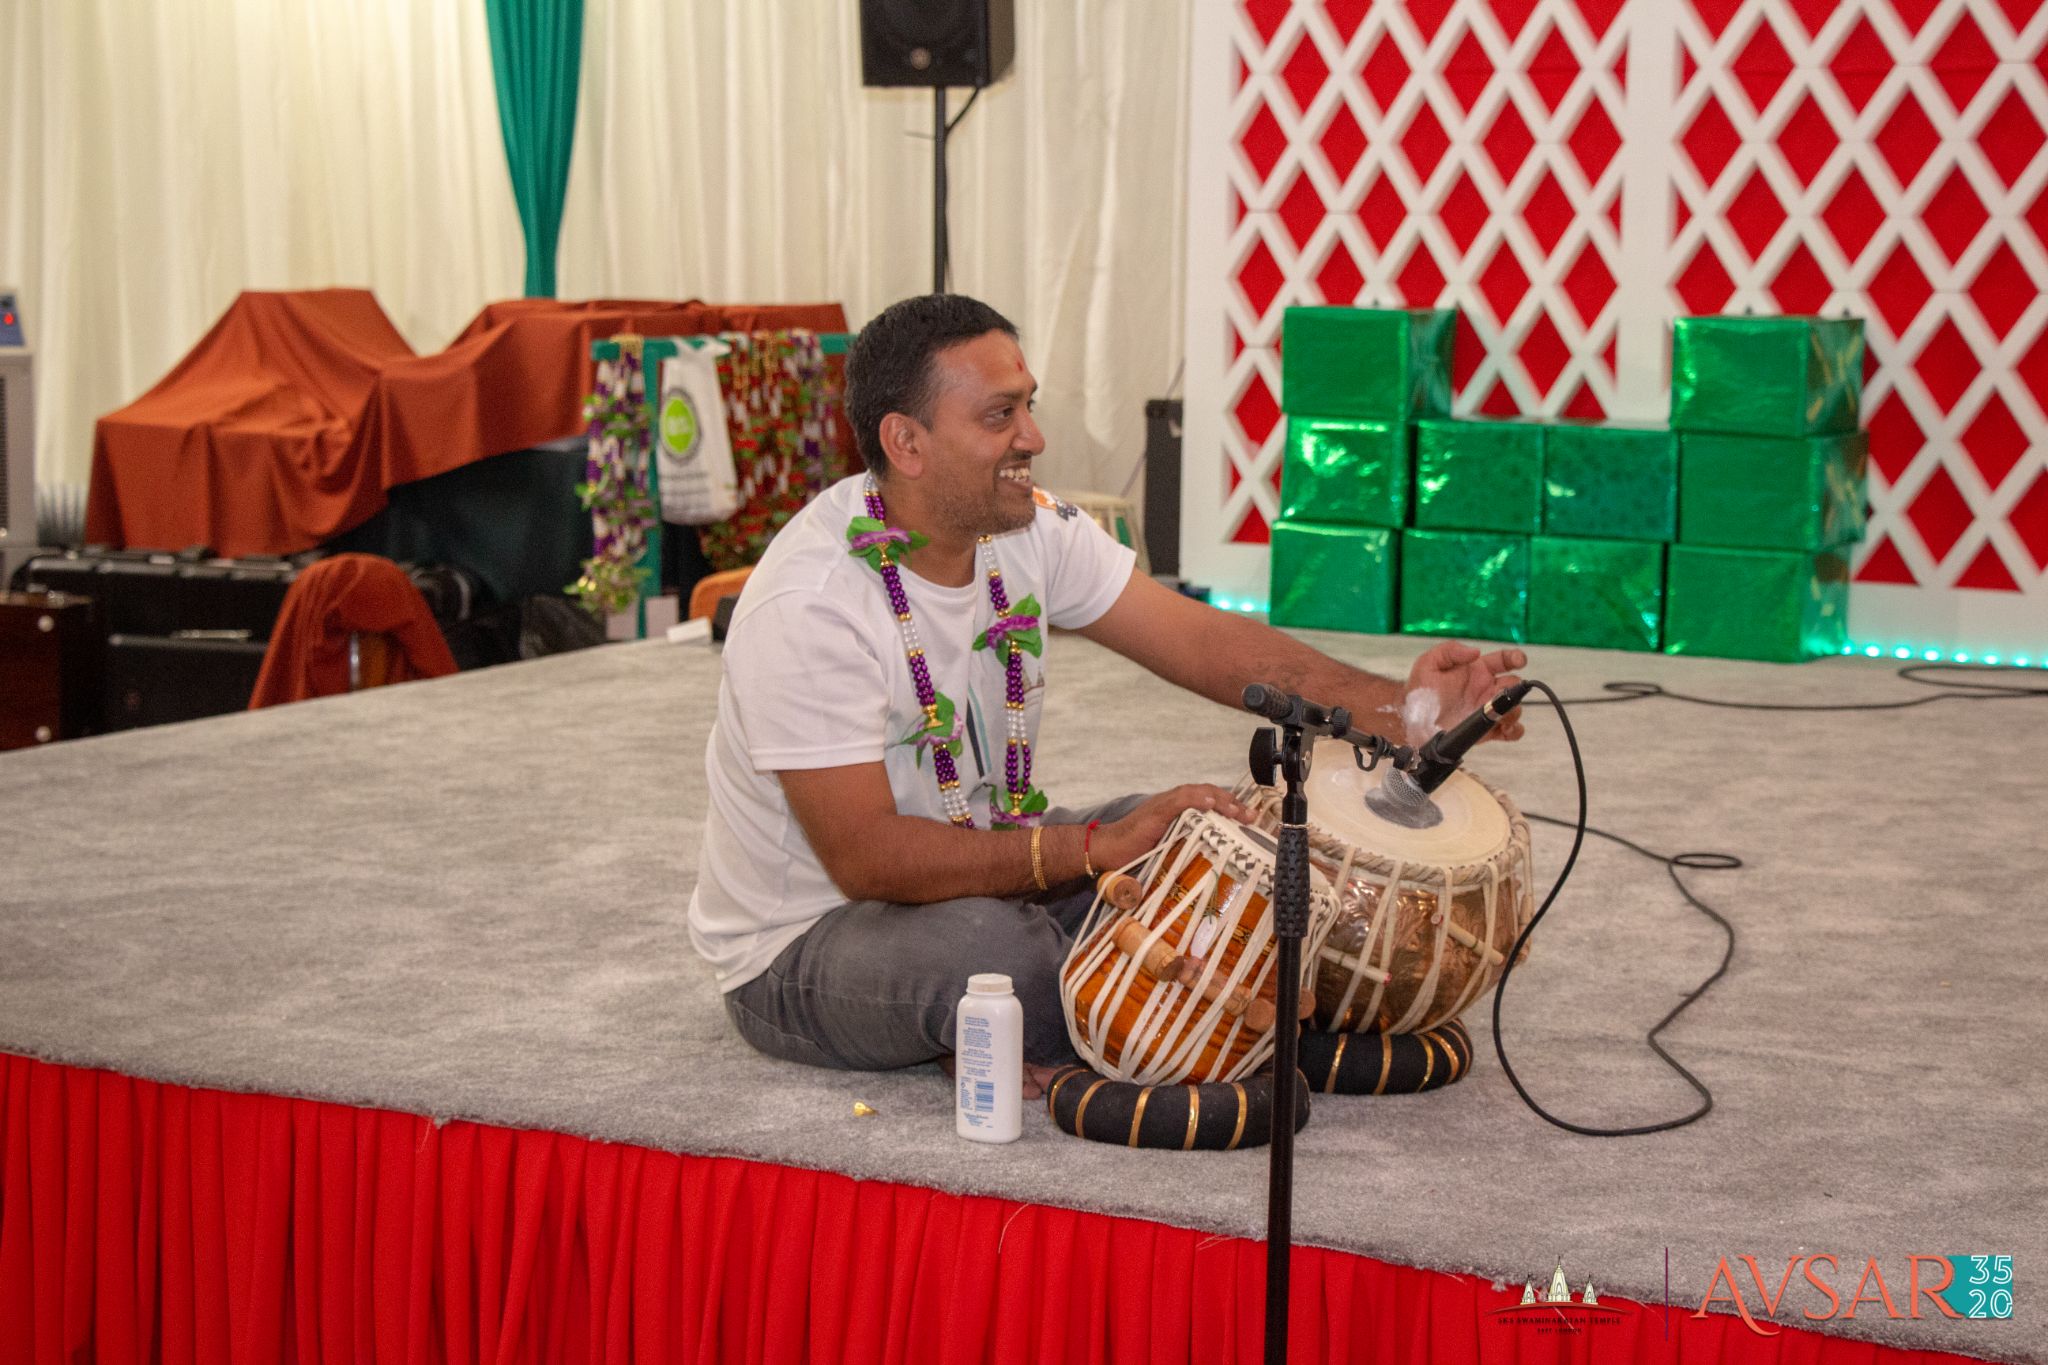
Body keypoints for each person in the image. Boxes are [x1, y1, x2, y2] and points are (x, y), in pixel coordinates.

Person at [688, 294, 1526, 1097]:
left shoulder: (1028, 529)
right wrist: (1091, 849)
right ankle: (1062, 999)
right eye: (1000, 415)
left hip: (980, 854)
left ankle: (1075, 1003)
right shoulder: (811, 605)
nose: (1034, 436)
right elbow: (867, 858)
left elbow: (1201, 641)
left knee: (1216, 842)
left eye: (1029, 405)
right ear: (906, 441)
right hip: (804, 941)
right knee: (1001, 956)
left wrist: (1404, 711)